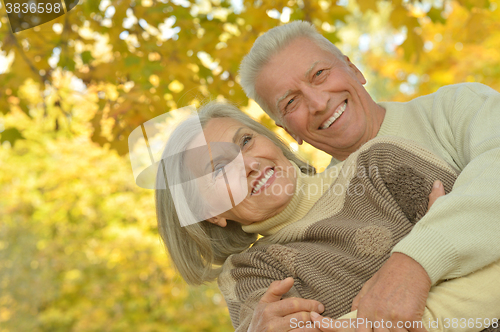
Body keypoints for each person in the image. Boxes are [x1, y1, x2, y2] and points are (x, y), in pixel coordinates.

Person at [239, 21, 500, 331]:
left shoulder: (454, 107)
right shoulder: (317, 225)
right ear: (287, 132)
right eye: (291, 102)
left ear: (354, 70)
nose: (319, 103)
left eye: (319, 74)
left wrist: (414, 262)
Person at [155, 101, 500, 332]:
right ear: (210, 215)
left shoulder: (381, 163)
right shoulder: (250, 274)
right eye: (218, 170)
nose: (248, 164)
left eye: (245, 141)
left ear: (271, 140)